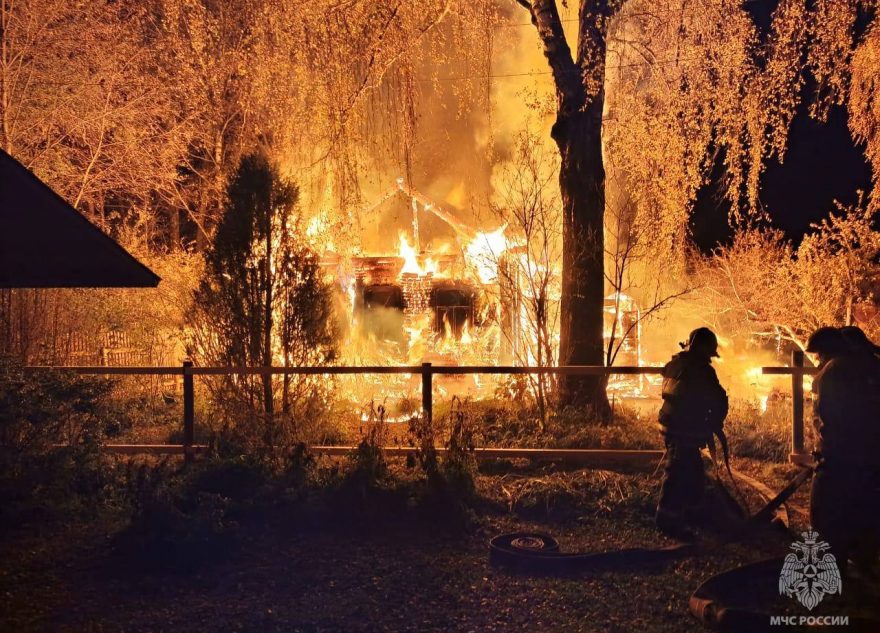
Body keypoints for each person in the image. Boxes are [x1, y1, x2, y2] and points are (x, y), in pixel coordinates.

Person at [807, 326, 880, 574]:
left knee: (826, 511)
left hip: (838, 457)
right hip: (871, 457)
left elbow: (825, 419)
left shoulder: (832, 372)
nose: (818, 360)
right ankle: (864, 560)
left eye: (818, 355)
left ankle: (830, 568)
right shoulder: (872, 366)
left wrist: (825, 450)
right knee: (865, 508)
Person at [656, 327, 729, 539]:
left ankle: (690, 514)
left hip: (669, 426)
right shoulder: (703, 370)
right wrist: (714, 422)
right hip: (685, 430)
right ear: (706, 350)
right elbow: (719, 399)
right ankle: (668, 520)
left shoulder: (674, 364)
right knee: (679, 473)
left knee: (693, 471)